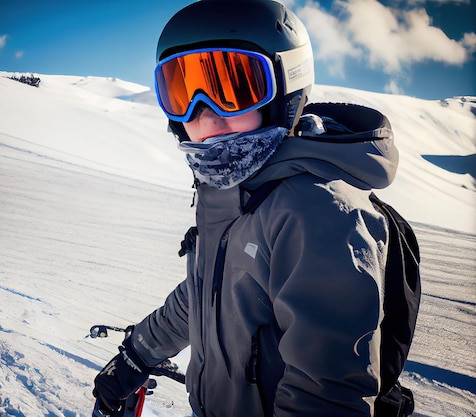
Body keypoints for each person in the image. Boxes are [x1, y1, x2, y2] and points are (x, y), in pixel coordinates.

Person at [92, 0, 401, 416]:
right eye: (183, 92)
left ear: (285, 89)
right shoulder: (229, 191)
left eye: (233, 88)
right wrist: (139, 352)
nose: (205, 115)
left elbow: (326, 395)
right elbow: (207, 292)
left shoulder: (317, 210)